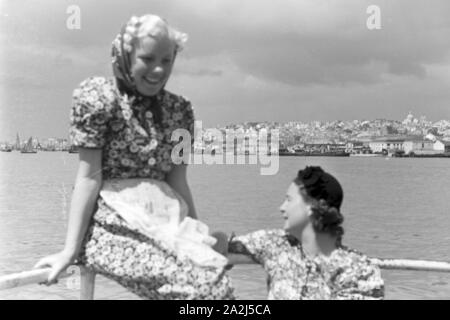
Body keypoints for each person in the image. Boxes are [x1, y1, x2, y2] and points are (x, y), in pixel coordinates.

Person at [34, 14, 234, 300]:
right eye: (147, 58)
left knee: (217, 282)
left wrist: (197, 236)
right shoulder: (98, 99)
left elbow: (178, 180)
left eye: (167, 60)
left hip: (165, 221)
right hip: (112, 226)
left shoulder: (180, 110)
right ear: (126, 56)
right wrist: (69, 250)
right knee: (200, 288)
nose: (158, 69)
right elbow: (88, 178)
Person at [226, 166, 384, 300]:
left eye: (289, 199)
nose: (282, 207)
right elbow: (218, 247)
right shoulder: (276, 245)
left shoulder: (359, 270)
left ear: (311, 207)